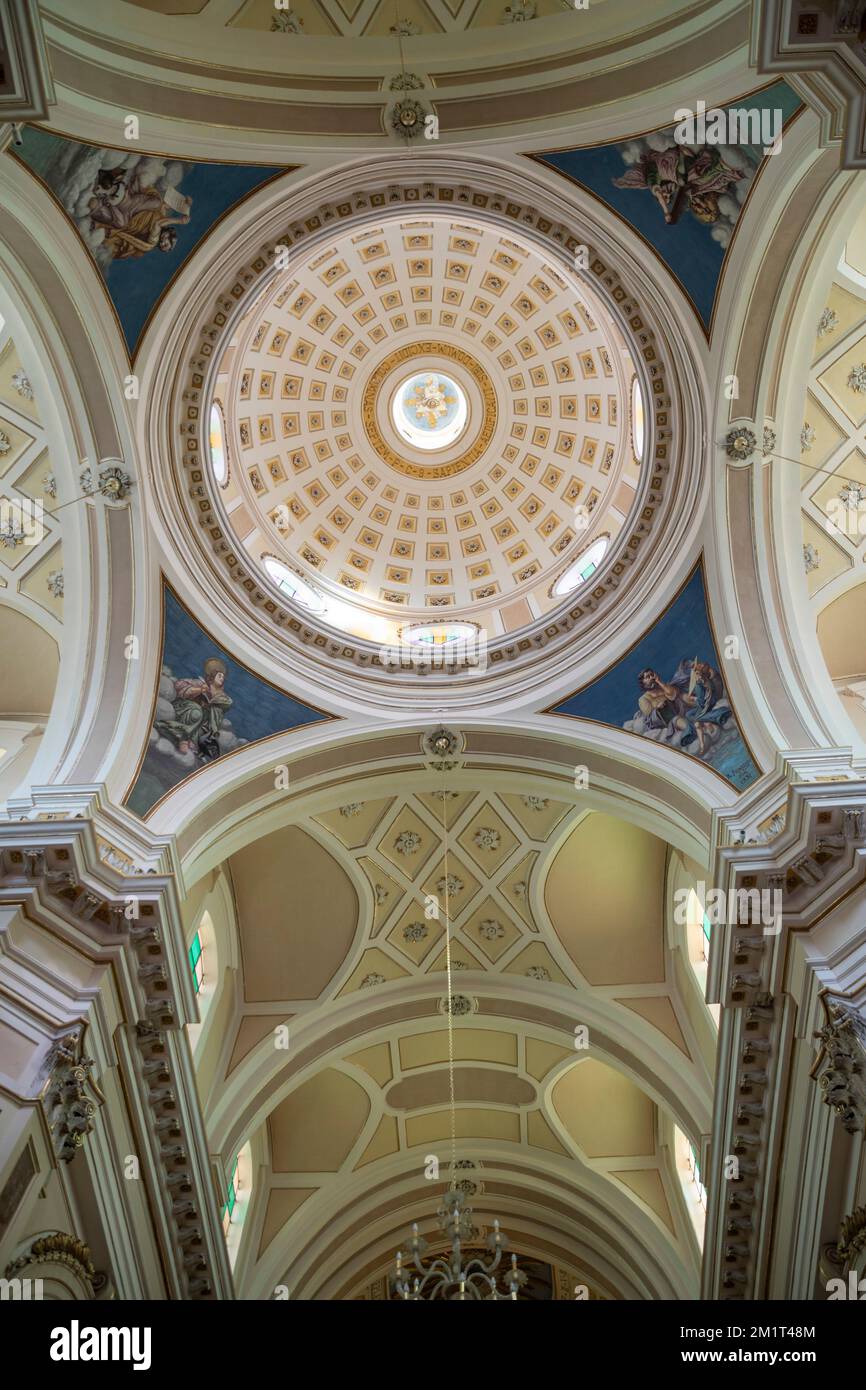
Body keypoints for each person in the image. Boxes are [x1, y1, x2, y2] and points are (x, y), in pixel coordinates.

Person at [88, 165, 190, 261]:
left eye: (162, 246)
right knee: (156, 202)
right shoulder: (162, 217)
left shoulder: (153, 241)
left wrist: (179, 221)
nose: (162, 243)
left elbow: (157, 223)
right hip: (137, 206)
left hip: (132, 220)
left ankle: (105, 203)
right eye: (166, 244)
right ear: (170, 234)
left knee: (120, 222)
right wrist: (184, 204)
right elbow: (162, 208)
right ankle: (128, 189)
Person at [156, 657, 232, 761]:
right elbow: (179, 686)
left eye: (223, 677)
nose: (222, 678)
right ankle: (182, 739)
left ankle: (192, 742)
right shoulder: (200, 683)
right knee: (196, 712)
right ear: (212, 676)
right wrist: (199, 690)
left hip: (200, 720)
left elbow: (224, 705)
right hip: (186, 710)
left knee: (205, 720)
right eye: (219, 675)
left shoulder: (220, 695)